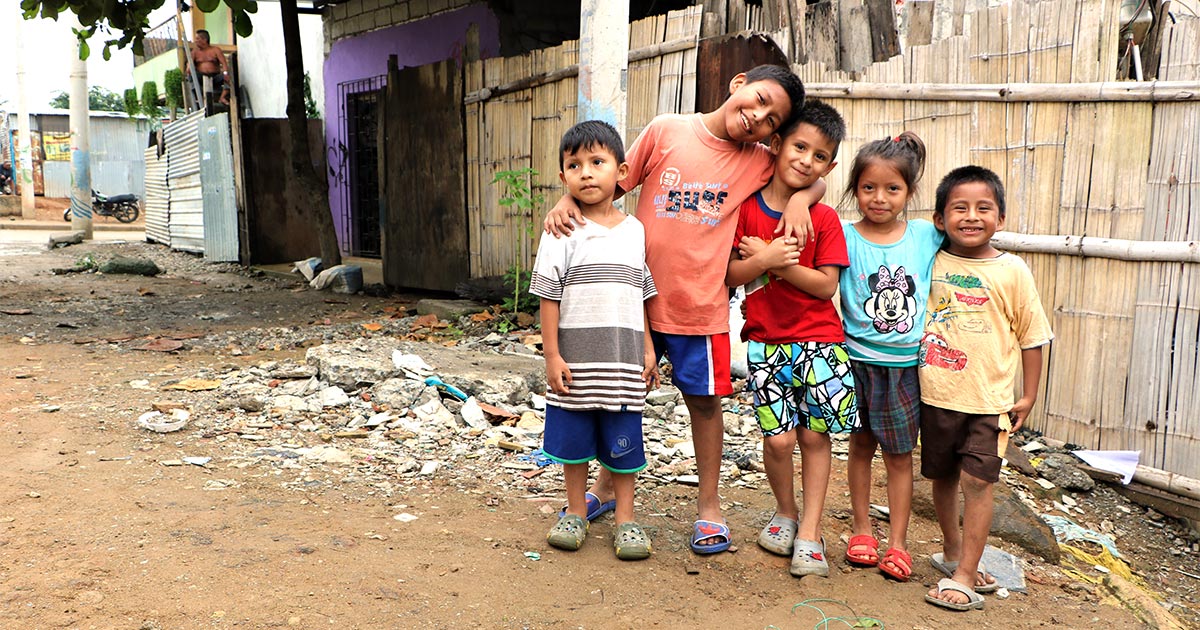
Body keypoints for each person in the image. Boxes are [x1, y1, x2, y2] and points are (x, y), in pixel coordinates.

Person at [543, 64, 824, 554]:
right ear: (738, 84)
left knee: (704, 403)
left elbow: (805, 174)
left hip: (702, 307)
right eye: (758, 99)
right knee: (619, 398)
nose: (757, 117)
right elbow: (609, 180)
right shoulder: (666, 130)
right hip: (634, 305)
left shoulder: (757, 159)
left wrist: (804, 198)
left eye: (771, 119)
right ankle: (607, 492)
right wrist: (566, 198)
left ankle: (709, 507)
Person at [725, 100, 856, 577]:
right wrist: (762, 261)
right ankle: (785, 510)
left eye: (820, 156)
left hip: (822, 342)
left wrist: (779, 261)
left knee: (814, 437)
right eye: (799, 147)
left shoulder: (823, 219)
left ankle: (810, 532)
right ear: (776, 146)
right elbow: (732, 274)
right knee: (778, 441)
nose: (807, 160)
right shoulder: (745, 211)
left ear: (831, 166)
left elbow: (826, 286)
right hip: (765, 342)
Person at [919, 165, 1053, 611]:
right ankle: (955, 551)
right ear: (940, 219)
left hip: (989, 400)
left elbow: (1033, 336)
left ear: (1000, 217)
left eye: (983, 208)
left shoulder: (1012, 270)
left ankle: (963, 575)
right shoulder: (930, 258)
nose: (971, 216)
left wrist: (1028, 396)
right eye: (959, 208)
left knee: (978, 482)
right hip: (936, 393)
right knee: (941, 476)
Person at [531, 120, 659, 561]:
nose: (586, 172)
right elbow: (549, 295)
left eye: (597, 162)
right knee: (574, 443)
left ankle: (625, 518)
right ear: (563, 176)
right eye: (574, 165)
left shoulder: (635, 230)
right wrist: (552, 355)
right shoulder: (561, 230)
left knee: (623, 446)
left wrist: (648, 350)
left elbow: (640, 291)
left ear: (621, 172)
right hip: (576, 363)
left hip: (623, 364)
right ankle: (574, 512)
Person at [838, 131, 940, 582]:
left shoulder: (923, 235)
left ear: (910, 193)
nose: (879, 198)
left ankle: (899, 543)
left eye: (892, 189)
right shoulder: (842, 236)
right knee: (860, 446)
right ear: (855, 188)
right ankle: (861, 529)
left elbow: (964, 226)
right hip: (856, 361)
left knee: (900, 455)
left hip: (904, 370)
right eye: (868, 188)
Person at [192, 29, 230, 106]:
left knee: (230, 77)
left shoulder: (215, 50)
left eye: (197, 39)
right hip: (201, 77)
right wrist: (189, 68)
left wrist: (225, 73)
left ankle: (222, 97)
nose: (195, 41)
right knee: (191, 77)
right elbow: (190, 65)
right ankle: (199, 97)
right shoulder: (194, 52)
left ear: (204, 39)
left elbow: (224, 63)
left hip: (215, 77)